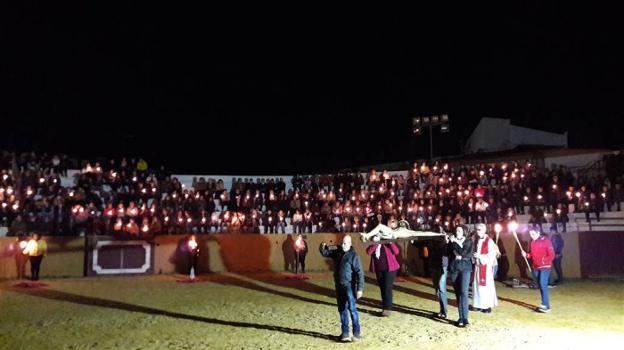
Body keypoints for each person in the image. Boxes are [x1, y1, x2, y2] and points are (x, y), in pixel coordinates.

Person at [320, 235, 364, 342]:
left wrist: (360, 289)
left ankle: (356, 333)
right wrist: (322, 247)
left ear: (350, 244)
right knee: (342, 309)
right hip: (339, 285)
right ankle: (345, 333)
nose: (343, 245)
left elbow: (360, 273)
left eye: (345, 243)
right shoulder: (337, 252)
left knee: (352, 309)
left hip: (349, 285)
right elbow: (325, 253)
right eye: (342, 243)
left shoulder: (354, 256)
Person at [522, 230, 555, 313]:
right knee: (540, 285)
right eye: (530, 234)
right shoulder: (532, 242)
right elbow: (532, 254)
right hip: (536, 267)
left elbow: (552, 255)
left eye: (533, 234)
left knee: (543, 284)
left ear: (538, 233)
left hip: (545, 267)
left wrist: (544, 261)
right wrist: (526, 255)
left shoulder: (546, 241)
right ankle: (544, 303)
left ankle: (546, 306)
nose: (532, 236)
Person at [365, 241, 400, 316]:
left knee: (387, 288)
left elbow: (396, 251)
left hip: (390, 269)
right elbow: (368, 252)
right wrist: (376, 243)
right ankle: (384, 306)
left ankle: (387, 309)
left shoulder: (388, 243)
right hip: (379, 269)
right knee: (382, 288)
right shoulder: (375, 243)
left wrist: (390, 243)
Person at [448, 225, 473, 327]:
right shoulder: (452, 242)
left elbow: (463, 253)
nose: (457, 232)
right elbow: (450, 254)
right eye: (456, 230)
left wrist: (454, 243)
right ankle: (460, 317)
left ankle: (465, 318)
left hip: (465, 269)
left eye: (459, 230)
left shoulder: (468, 242)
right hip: (454, 269)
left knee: (464, 292)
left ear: (464, 232)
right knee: (458, 293)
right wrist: (448, 243)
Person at [471, 223, 498, 313]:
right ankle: (478, 304)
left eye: (480, 230)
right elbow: (473, 251)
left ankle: (486, 306)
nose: (478, 231)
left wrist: (480, 256)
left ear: (484, 230)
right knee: (477, 286)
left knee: (485, 287)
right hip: (478, 267)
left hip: (485, 268)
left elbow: (492, 255)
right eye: (477, 229)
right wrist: (474, 256)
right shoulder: (476, 240)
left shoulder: (489, 241)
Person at [429, 234, 451, 319]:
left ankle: (445, 311)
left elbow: (447, 252)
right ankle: (442, 310)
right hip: (433, 265)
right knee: (437, 289)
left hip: (442, 266)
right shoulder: (431, 242)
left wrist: (447, 242)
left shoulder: (444, 242)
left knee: (441, 288)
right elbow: (419, 244)